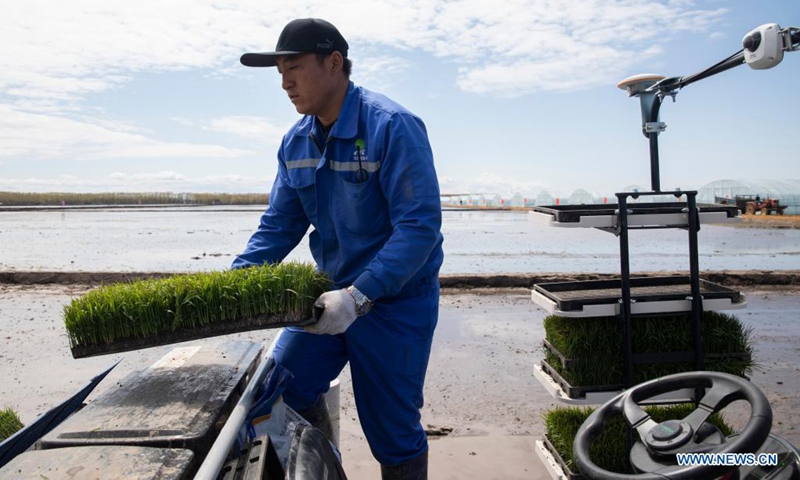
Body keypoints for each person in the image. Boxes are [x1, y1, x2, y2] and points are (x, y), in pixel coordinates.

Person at [233, 18, 444, 479]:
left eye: (294, 67)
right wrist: (234, 285)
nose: (285, 82)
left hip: (395, 303)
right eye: (279, 72)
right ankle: (324, 458)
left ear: (334, 63)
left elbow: (419, 227)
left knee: (392, 432)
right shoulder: (296, 142)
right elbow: (279, 226)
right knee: (280, 389)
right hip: (325, 299)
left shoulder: (392, 126)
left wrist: (360, 295)